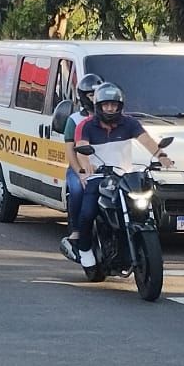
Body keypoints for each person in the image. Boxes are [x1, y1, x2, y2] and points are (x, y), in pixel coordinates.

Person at [60, 83, 167, 267]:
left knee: (148, 202)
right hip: (99, 177)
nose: (110, 108)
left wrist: (161, 156)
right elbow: (81, 149)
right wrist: (86, 169)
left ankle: (142, 240)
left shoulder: (130, 123)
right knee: (87, 212)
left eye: (113, 104)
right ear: (99, 106)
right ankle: (84, 248)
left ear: (120, 105)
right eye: (106, 105)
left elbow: (146, 140)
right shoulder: (87, 125)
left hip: (124, 176)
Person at [62, 74, 101, 246]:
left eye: (98, 94)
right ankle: (76, 229)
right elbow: (70, 152)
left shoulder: (111, 117)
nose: (95, 99)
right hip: (79, 167)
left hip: (106, 167)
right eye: (91, 95)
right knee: (78, 190)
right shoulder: (74, 120)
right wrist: (81, 172)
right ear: (84, 96)